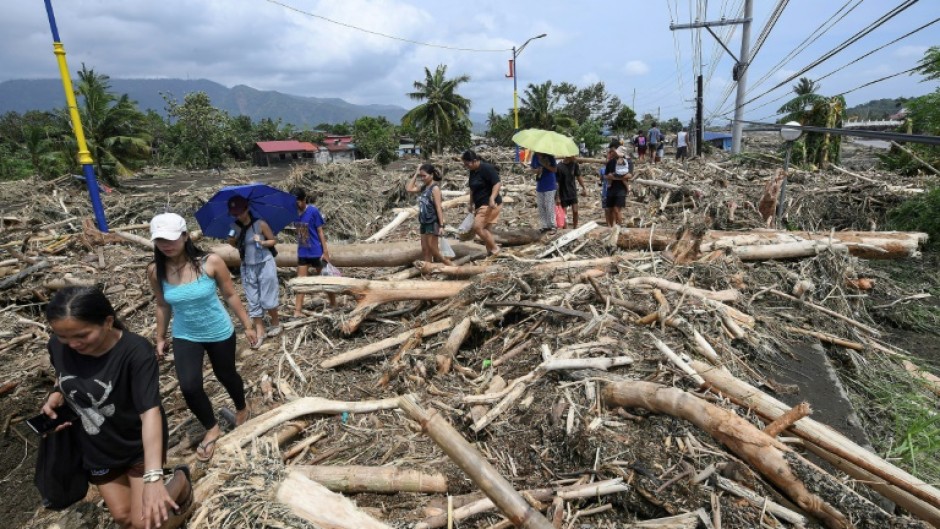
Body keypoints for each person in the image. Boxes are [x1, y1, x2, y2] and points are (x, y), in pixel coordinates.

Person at [41, 286, 192, 529]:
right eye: (63, 336)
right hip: (96, 446)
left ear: (108, 322)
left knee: (143, 523)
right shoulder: (58, 346)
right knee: (123, 518)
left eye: (82, 335)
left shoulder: (135, 351)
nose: (72, 344)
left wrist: (153, 477)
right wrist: (57, 393)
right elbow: (62, 374)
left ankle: (180, 480)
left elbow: (150, 411)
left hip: (137, 444)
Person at [148, 212, 254, 463]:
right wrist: (160, 336)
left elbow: (230, 295)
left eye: (172, 238)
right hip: (186, 333)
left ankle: (242, 408)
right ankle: (211, 427)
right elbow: (162, 305)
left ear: (185, 236)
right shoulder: (156, 271)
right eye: (160, 239)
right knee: (189, 385)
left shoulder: (211, 262)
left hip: (218, 330)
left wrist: (248, 325)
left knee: (226, 374)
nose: (166, 244)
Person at [226, 196, 281, 341]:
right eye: (235, 214)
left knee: (267, 293)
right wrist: (232, 242)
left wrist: (262, 242)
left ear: (247, 209)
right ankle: (259, 329)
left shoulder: (260, 224)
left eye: (240, 212)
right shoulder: (235, 227)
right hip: (247, 265)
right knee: (252, 296)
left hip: (264, 262)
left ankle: (275, 322)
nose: (238, 216)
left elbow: (273, 240)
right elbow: (236, 244)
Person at [290, 187, 336, 316]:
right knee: (301, 282)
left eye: (298, 202)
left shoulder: (313, 211)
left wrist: (325, 251)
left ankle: (333, 304)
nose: (297, 205)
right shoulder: (293, 213)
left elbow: (320, 231)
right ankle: (297, 311)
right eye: (295, 203)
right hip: (302, 252)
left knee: (325, 280)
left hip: (316, 252)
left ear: (304, 199)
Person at [406, 163, 453, 266]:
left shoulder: (434, 188)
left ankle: (450, 265)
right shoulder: (424, 188)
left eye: (424, 176)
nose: (422, 178)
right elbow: (409, 188)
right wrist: (416, 172)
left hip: (432, 222)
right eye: (421, 176)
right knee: (425, 249)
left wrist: (441, 225)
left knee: (433, 249)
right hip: (423, 222)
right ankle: (428, 270)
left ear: (431, 175)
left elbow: (438, 207)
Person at [461, 150, 503, 256]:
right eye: (465, 164)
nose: (466, 166)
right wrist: (470, 203)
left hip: (489, 204)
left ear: (474, 161)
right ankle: (490, 252)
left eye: (467, 164)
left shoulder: (486, 168)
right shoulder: (473, 171)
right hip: (479, 205)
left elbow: (497, 183)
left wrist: (492, 198)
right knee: (486, 229)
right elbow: (472, 189)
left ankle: (495, 249)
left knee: (477, 227)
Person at [527, 152, 558, 233]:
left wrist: (545, 165)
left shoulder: (550, 156)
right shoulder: (534, 156)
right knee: (541, 206)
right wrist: (536, 170)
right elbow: (532, 168)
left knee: (549, 205)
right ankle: (544, 226)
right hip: (540, 184)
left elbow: (555, 169)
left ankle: (552, 225)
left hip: (550, 184)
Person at [604, 145, 633, 226]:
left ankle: (618, 227)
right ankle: (611, 227)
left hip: (621, 189)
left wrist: (614, 178)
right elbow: (606, 175)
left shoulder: (628, 162)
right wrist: (617, 178)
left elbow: (630, 175)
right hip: (611, 189)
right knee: (610, 210)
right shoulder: (611, 162)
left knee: (616, 209)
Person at [556, 155, 587, 228]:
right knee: (564, 214)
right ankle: (565, 229)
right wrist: (557, 196)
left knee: (575, 211)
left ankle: (575, 228)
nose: (575, 157)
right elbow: (557, 183)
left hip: (572, 191)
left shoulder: (574, 164)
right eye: (574, 156)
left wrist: (584, 187)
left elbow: (578, 176)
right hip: (563, 192)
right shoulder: (559, 167)